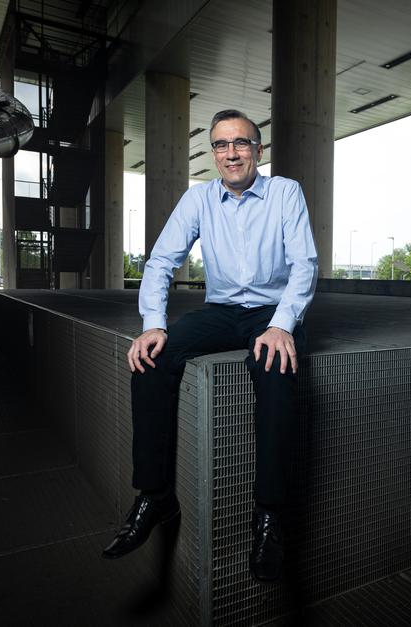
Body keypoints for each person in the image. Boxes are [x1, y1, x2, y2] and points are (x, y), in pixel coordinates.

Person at [101, 109, 318, 583]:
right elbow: (160, 262)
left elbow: (304, 264)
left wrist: (282, 325)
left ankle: (269, 514)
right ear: (213, 153)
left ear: (258, 150)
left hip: (271, 310)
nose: (231, 153)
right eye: (221, 144)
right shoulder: (198, 198)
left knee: (274, 368)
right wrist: (153, 323)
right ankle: (155, 495)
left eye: (241, 143)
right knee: (152, 358)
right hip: (221, 310)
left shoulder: (285, 192)